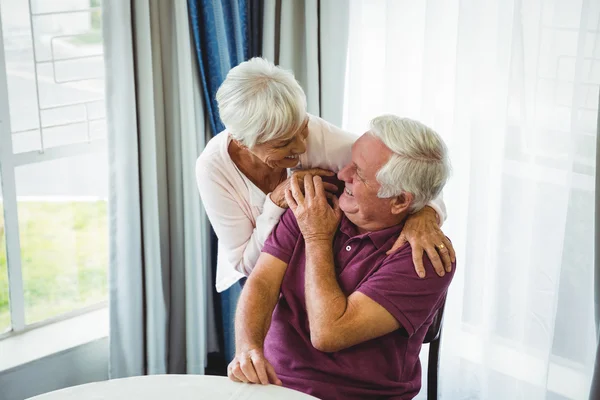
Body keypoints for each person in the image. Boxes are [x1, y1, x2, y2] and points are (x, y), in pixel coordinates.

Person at [227, 115, 455, 400]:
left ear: (399, 201)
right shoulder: (318, 199)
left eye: (358, 173)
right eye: (350, 161)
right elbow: (262, 281)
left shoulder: (425, 258)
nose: (343, 172)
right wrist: (248, 347)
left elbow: (328, 333)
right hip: (273, 384)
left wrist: (317, 237)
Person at [195, 58, 454, 293]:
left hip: (320, 269)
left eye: (303, 127)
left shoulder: (319, 137)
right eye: (283, 143)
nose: (300, 146)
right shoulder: (213, 169)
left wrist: (425, 215)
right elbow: (245, 265)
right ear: (242, 143)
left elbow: (414, 173)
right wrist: (275, 203)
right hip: (263, 279)